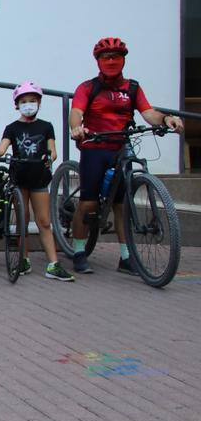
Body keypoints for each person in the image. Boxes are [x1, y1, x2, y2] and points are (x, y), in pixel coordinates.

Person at [68, 38, 185, 275]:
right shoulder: (88, 88)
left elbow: (148, 112)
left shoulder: (132, 88)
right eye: (105, 57)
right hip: (95, 146)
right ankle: (79, 251)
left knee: (122, 206)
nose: (111, 61)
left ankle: (126, 257)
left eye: (115, 57)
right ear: (98, 61)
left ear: (123, 60)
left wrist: (165, 119)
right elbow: (76, 112)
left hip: (121, 147)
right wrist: (77, 128)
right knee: (88, 203)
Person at [0, 82, 70, 281]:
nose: (28, 104)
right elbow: (1, 149)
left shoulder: (46, 126)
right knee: (22, 220)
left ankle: (53, 264)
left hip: (39, 178)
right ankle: (24, 259)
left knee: (44, 221)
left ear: (39, 103)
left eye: (32, 101)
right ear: (17, 105)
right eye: (23, 101)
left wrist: (50, 157)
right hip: (19, 179)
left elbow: (52, 150)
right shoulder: (12, 128)